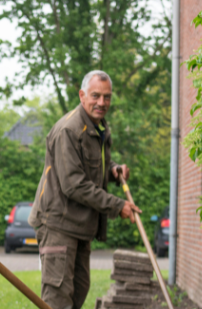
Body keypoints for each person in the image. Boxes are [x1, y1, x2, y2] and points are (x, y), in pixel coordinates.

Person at [28, 70, 140, 309]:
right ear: (82, 95)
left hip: (79, 226)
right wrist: (117, 205)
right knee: (58, 299)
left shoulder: (97, 127)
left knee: (79, 291)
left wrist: (113, 170)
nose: (102, 103)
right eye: (95, 96)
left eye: (107, 97)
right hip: (58, 224)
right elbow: (74, 185)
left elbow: (92, 165)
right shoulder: (69, 130)